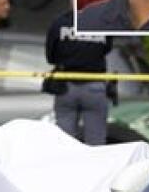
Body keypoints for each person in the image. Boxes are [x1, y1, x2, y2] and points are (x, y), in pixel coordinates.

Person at [46, 8, 112, 145]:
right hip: (95, 86)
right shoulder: (102, 22)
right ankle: (94, 166)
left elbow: (50, 56)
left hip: (66, 86)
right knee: (96, 142)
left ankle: (66, 166)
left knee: (64, 141)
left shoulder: (59, 23)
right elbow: (107, 48)